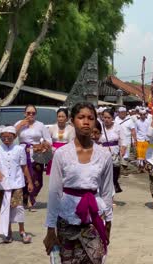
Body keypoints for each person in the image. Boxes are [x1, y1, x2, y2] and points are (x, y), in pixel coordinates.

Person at [44, 102, 114, 264]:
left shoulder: (104, 155)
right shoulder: (62, 154)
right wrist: (50, 228)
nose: (86, 121)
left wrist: (108, 223)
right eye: (81, 117)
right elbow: (55, 192)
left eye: (90, 118)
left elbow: (106, 191)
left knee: (94, 259)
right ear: (72, 121)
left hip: (94, 218)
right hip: (66, 218)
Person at [0, 126, 34, 244]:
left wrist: (29, 181)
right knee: (6, 208)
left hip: (17, 183)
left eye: (9, 137)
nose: (6, 140)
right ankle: (8, 232)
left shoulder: (19, 149)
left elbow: (24, 166)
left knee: (19, 207)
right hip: (4, 184)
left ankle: (22, 231)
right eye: (3, 137)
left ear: (14, 137)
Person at [15, 104, 52, 210]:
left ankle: (33, 198)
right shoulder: (19, 123)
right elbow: (11, 136)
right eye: (28, 113)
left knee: (37, 179)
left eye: (33, 113)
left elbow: (48, 140)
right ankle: (25, 201)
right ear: (24, 113)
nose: (30, 115)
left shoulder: (40, 125)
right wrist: (20, 125)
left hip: (36, 153)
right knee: (24, 177)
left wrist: (42, 147)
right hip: (22, 152)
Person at [100, 109, 125, 194]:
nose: (106, 119)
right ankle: (106, 193)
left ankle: (113, 188)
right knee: (104, 175)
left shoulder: (117, 126)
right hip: (103, 153)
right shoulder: (100, 127)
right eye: (105, 117)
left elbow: (122, 139)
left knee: (115, 174)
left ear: (112, 118)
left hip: (115, 153)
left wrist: (123, 148)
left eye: (108, 117)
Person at [46, 108, 75, 175]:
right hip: (53, 154)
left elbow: (71, 143)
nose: (61, 119)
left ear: (67, 118)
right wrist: (51, 148)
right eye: (59, 116)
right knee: (54, 175)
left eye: (63, 116)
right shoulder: (52, 128)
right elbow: (47, 140)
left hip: (66, 154)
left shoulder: (71, 129)